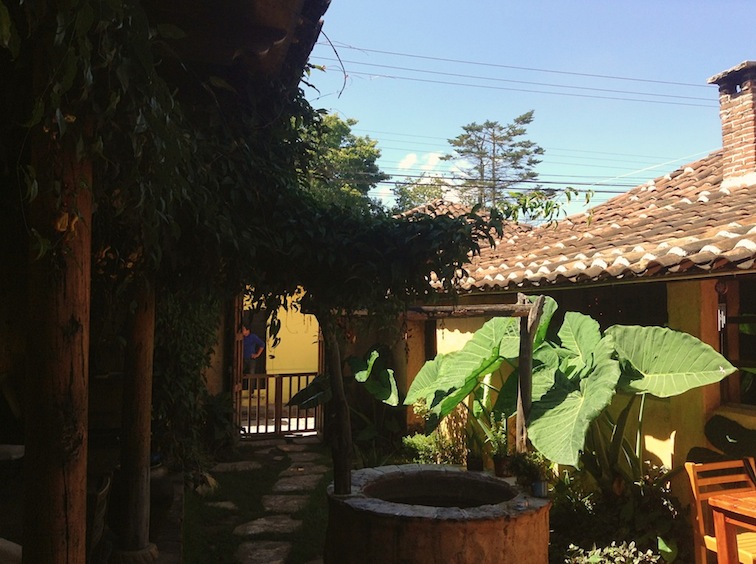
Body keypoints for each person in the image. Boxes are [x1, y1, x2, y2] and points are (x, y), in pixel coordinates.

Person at [242, 324, 265, 390]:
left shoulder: (252, 337)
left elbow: (262, 344)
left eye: (243, 329)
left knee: (251, 373)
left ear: (247, 330)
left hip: (251, 358)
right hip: (243, 358)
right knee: (240, 372)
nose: (242, 331)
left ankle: (251, 390)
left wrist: (257, 354)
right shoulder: (241, 337)